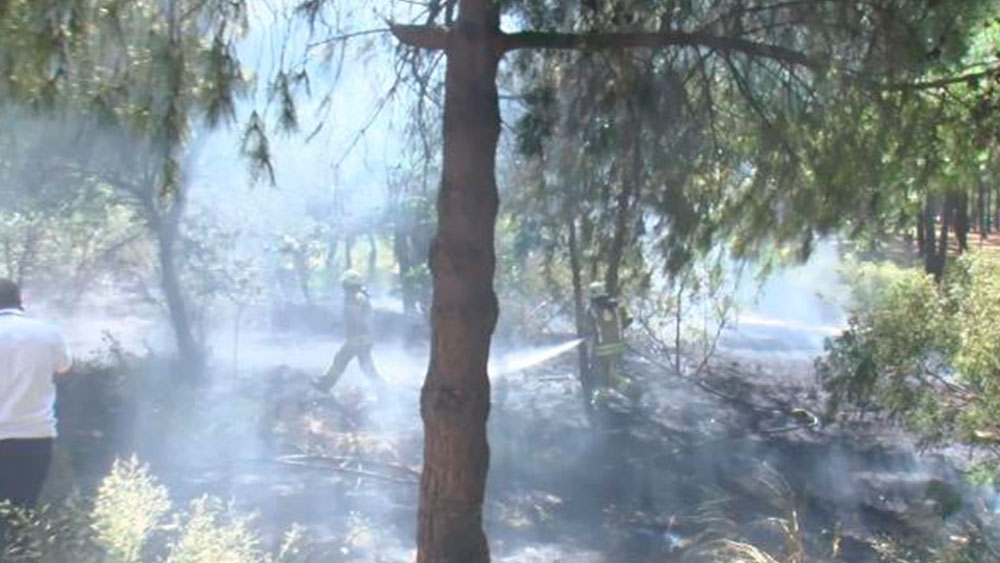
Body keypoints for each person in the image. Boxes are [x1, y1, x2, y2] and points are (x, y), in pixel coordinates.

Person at [0, 279, 72, 541]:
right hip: (35, 436)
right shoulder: (47, 333)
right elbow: (64, 367)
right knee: (23, 512)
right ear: (20, 300)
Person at [313, 270, 384, 395]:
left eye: (345, 285)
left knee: (342, 361)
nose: (343, 288)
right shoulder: (360, 295)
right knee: (364, 366)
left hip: (358, 338)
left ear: (349, 285)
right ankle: (382, 390)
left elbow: (355, 317)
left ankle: (325, 385)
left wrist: (354, 336)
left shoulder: (354, 297)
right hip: (362, 338)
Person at [586, 281, 633, 410]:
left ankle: (602, 402)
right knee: (611, 373)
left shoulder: (592, 310)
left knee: (602, 376)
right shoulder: (618, 306)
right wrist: (617, 330)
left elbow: (587, 328)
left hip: (602, 349)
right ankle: (628, 387)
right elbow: (629, 319)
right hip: (618, 347)